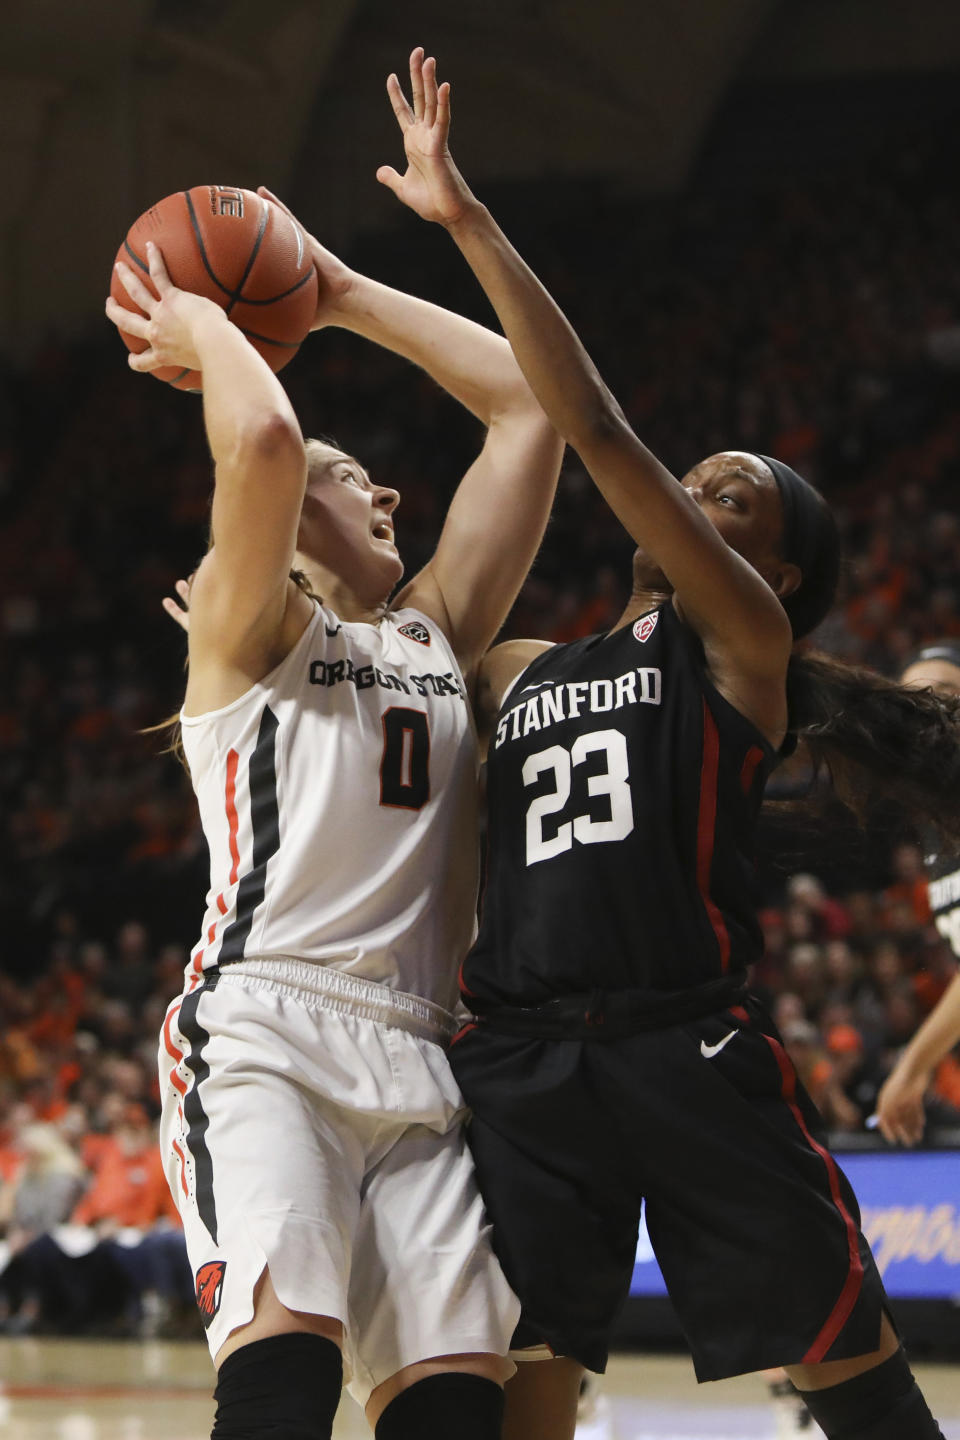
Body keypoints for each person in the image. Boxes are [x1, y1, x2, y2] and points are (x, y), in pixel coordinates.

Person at [376, 47, 960, 1440]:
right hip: (517, 1051)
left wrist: (466, 224)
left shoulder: (742, 651)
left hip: (681, 1039)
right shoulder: (517, 671)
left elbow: (585, 419)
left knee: (847, 1367)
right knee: (529, 1384)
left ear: (778, 572)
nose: (707, 486)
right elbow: (406, 629)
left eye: (740, 498)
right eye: (707, 476)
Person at [105, 196, 563, 1440]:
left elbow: (532, 405)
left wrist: (343, 287)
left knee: (456, 1413)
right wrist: (203, 313)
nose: (392, 491)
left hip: (421, 1045)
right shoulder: (247, 635)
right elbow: (259, 438)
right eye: (353, 476)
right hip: (263, 1028)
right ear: (295, 518)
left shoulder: (437, 630)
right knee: (283, 1387)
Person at [876, 642, 960, 1146]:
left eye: (946, 692)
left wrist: (912, 1066)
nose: (927, 707)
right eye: (912, 700)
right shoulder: (936, 818)